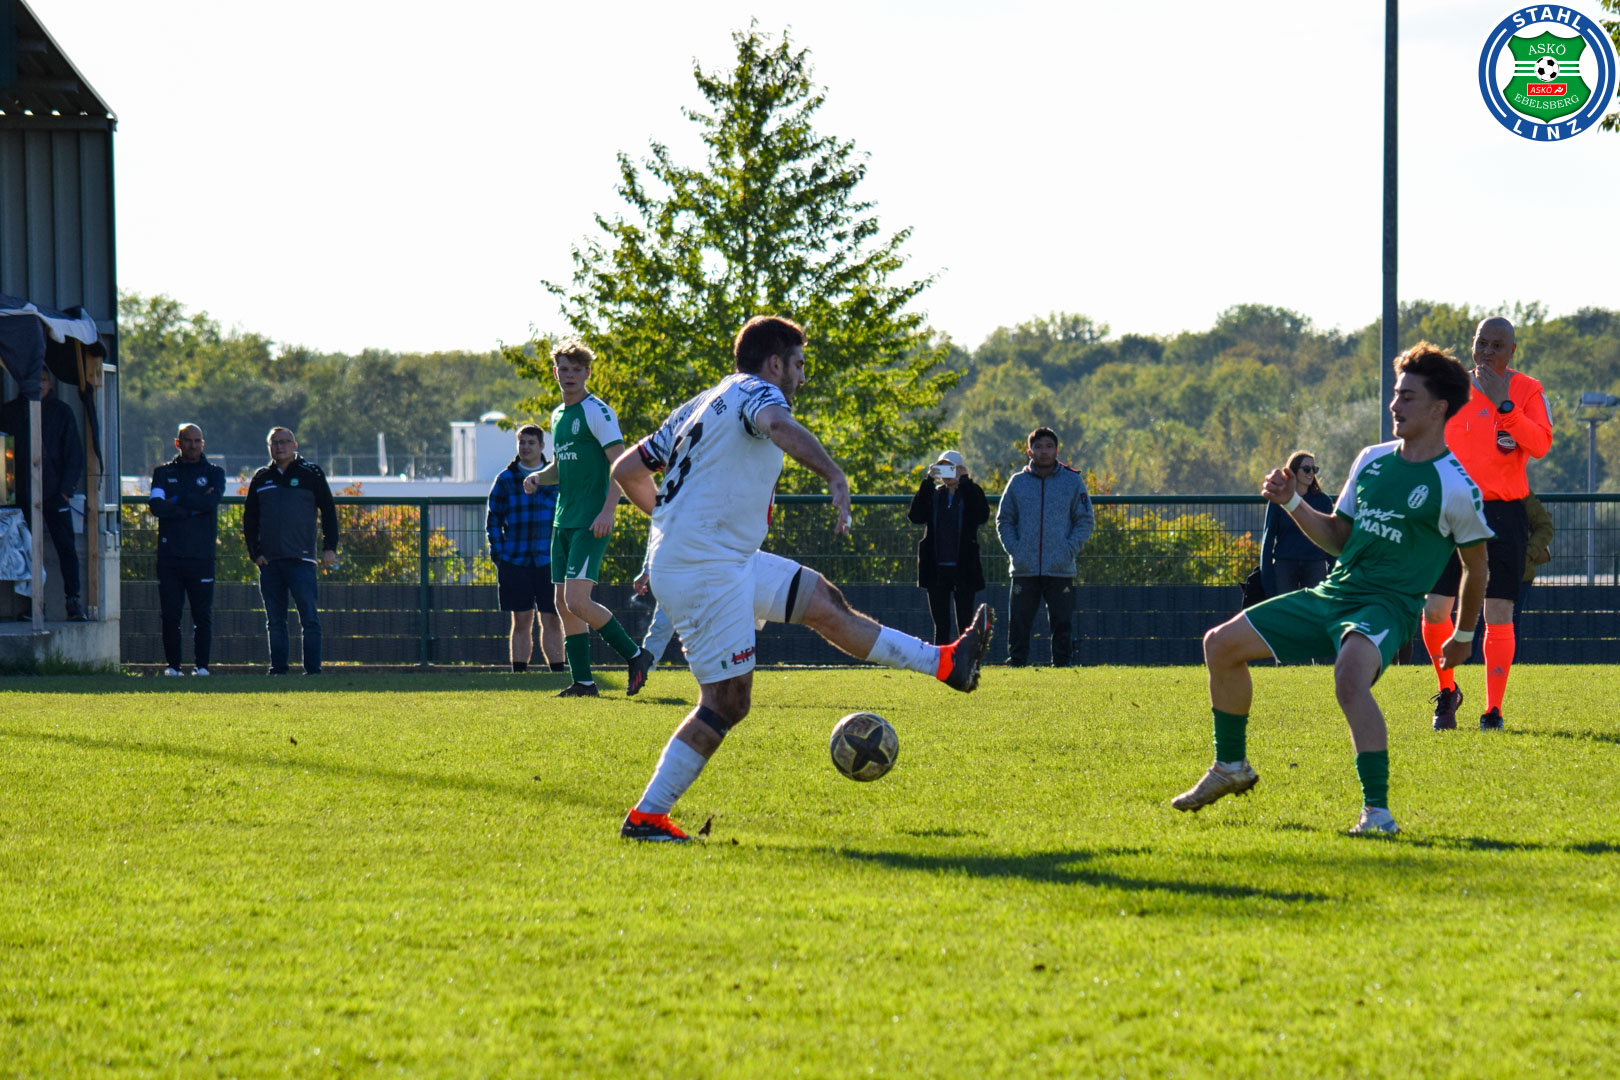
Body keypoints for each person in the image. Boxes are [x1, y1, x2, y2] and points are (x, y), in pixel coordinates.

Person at [610, 315, 992, 842]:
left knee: (823, 601)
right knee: (727, 703)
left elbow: (626, 471)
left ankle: (946, 663)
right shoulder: (759, 393)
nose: (803, 377)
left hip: (718, 558)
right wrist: (833, 473)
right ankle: (647, 817)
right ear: (775, 364)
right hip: (706, 568)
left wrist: (671, 525)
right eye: (799, 365)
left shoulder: (699, 402)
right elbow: (776, 426)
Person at [1171, 342, 1492, 836]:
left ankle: (1377, 813)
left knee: (1349, 677)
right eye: (1395, 394)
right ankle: (1231, 766)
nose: (1394, 405)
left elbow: (1477, 567)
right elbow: (1339, 539)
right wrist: (1292, 502)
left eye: (1407, 396)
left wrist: (1464, 635)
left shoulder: (1455, 485)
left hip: (1388, 606)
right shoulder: (1372, 460)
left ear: (1438, 408)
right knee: (1220, 644)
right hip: (1333, 593)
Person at [1420, 317, 1553, 731]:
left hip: (1503, 512)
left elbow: (1541, 444)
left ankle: (1493, 710)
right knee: (1435, 609)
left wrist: (1504, 405)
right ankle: (1447, 690)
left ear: (1513, 351)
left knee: (1498, 612)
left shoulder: (1528, 389)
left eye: (1498, 345)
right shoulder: (1450, 387)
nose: (1488, 352)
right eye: (1482, 343)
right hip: (1448, 509)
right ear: (1473, 345)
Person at [520, 342, 652, 698]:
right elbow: (560, 467)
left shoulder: (598, 412)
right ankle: (583, 682)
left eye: (577, 370)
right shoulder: (558, 415)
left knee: (578, 601)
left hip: (591, 522)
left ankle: (636, 655)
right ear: (555, 372)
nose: (570, 376)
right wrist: (537, 478)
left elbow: (621, 466)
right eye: (564, 369)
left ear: (587, 373)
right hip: (563, 521)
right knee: (563, 604)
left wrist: (608, 511)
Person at [242, 427, 339, 675]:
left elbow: (328, 511)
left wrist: (330, 547)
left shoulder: (311, 473)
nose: (279, 447)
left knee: (309, 617)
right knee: (275, 620)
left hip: (302, 560)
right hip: (270, 561)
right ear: (269, 448)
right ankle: (278, 670)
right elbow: (250, 519)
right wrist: (255, 553)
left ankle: (313, 671)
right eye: (274, 443)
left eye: (284, 442)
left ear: (295, 445)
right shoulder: (261, 477)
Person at [994, 427, 1094, 666]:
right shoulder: (1017, 482)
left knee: (1062, 621)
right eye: (1038, 447)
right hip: (1024, 567)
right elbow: (1004, 520)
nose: (1044, 451)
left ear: (1057, 450)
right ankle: (1017, 662)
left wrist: (1069, 548)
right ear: (1029, 452)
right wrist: (1016, 549)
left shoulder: (1072, 481)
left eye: (1049, 446)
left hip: (1060, 567)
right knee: (1019, 620)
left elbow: (1085, 520)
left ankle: (1062, 663)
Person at [1, 369, 85, 620]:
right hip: (21, 495)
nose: (39, 385)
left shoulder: (61, 412)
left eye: (44, 380)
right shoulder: (9, 412)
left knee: (66, 547)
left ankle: (73, 601)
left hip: (54, 493)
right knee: (27, 549)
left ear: (51, 383)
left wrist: (65, 491)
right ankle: (34, 604)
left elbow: (74, 454)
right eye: (34, 380)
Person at [487, 423, 565, 674]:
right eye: (522, 442)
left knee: (552, 618)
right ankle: (519, 672)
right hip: (515, 560)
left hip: (549, 560)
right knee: (521, 619)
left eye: (531, 443)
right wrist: (500, 555)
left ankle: (557, 671)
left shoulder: (555, 477)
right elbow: (493, 520)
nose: (526, 447)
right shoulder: (505, 479)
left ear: (541, 446)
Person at [147, 423, 224, 675]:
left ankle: (202, 667)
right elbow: (156, 506)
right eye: (188, 440)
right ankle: (173, 667)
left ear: (203, 443)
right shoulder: (162, 473)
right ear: (178, 443)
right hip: (170, 556)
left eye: (197, 440)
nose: (193, 445)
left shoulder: (215, 473)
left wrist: (177, 500)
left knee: (202, 615)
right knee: (170, 615)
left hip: (202, 556)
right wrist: (192, 506)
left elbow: (210, 503)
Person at [908, 449, 990, 644]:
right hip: (936, 567)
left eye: (952, 468)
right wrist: (928, 481)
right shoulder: (934, 494)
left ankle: (965, 658)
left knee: (965, 623)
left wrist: (965, 481)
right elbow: (915, 516)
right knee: (941, 625)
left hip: (964, 567)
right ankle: (942, 659)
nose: (947, 473)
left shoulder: (971, 492)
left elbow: (981, 515)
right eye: (942, 468)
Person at [1259, 450, 1334, 598]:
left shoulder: (1323, 501)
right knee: (1286, 607)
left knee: (1313, 608)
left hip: (1315, 564)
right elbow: (1268, 541)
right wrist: (1267, 579)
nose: (1311, 473)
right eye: (1306, 469)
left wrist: (1333, 571)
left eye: (1314, 469)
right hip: (1285, 565)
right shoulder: (1279, 500)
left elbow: (1330, 536)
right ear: (1293, 471)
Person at [1514, 492, 1553, 634]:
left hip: (1519, 571)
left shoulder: (1522, 492)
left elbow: (1545, 527)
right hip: (1486, 570)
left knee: (1511, 622)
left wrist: (1527, 554)